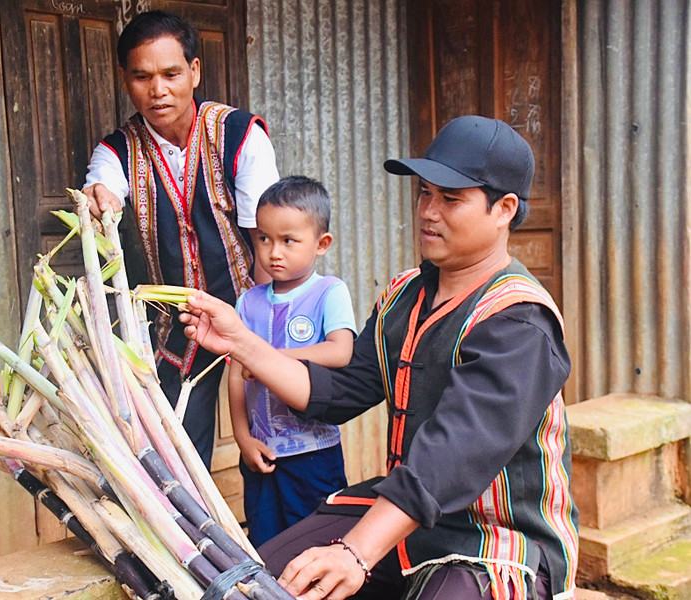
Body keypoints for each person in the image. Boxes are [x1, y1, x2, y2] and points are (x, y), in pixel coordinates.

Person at [180, 115, 579, 600]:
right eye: (425, 193)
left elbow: (451, 455)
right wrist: (241, 342)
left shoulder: (519, 322)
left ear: (504, 209)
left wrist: (354, 552)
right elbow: (341, 389)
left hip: (493, 537)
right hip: (405, 512)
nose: (429, 211)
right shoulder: (404, 296)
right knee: (261, 581)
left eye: (450, 199)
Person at [81, 11, 280, 468]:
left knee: (274, 446)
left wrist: (267, 336)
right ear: (124, 80)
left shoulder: (239, 135)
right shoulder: (116, 151)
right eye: (142, 77)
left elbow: (265, 239)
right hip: (179, 331)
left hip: (249, 313)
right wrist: (100, 200)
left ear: (194, 70)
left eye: (171, 73)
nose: (158, 90)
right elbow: (102, 188)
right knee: (177, 458)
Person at [230, 176, 356, 547]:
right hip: (262, 453)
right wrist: (242, 437)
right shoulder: (248, 302)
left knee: (322, 543)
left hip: (313, 454)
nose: (274, 252)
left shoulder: (328, 292)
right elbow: (236, 374)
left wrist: (270, 359)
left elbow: (340, 350)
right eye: (264, 238)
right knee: (267, 546)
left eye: (288, 240)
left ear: (322, 244)